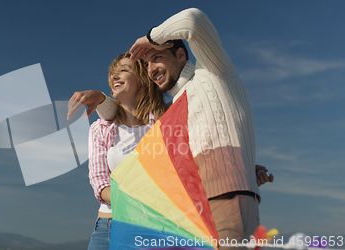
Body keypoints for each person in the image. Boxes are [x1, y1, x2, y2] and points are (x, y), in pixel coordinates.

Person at [69, 8, 274, 249]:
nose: (151, 67)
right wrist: (104, 100)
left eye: (156, 58)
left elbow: (194, 20)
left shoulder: (207, 77)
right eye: (146, 63)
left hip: (188, 214)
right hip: (156, 219)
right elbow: (195, 151)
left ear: (180, 55)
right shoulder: (174, 108)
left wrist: (150, 38)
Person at [87, 52, 167, 249]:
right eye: (113, 73)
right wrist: (134, 197)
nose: (115, 76)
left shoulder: (163, 124)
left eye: (123, 70)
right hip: (108, 227)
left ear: (142, 79)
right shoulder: (100, 129)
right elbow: (99, 182)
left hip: (152, 228)